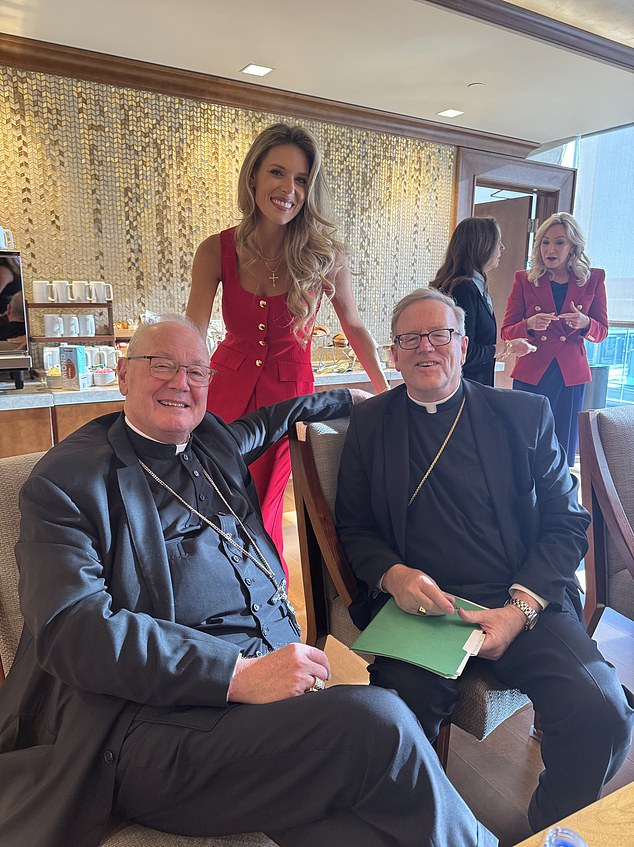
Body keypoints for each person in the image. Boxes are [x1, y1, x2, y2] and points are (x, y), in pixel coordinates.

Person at [0, 314, 496, 847]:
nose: (181, 383)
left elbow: (277, 418)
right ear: (123, 374)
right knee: (381, 720)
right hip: (148, 722)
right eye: (161, 365)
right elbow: (71, 628)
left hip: (267, 701)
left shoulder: (212, 440)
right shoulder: (67, 481)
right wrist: (235, 674)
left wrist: (354, 400)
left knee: (362, 820)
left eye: (196, 371)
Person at [336, 287, 633, 834]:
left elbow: (568, 522)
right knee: (394, 725)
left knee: (603, 713)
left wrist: (520, 609)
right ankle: (422, 830)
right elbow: (354, 527)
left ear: (464, 345)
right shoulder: (372, 423)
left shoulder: (523, 414)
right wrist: (393, 575)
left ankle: (544, 831)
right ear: (394, 353)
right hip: (423, 611)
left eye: (439, 334)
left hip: (520, 597)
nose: (426, 347)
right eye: (410, 338)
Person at [187, 123, 388, 574]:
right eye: (277, 172)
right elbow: (193, 332)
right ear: (253, 175)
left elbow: (354, 325)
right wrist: (180, 385)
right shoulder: (215, 250)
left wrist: (386, 392)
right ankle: (212, 590)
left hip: (289, 400)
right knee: (212, 496)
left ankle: (266, 592)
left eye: (301, 180)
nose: (288, 189)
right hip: (222, 393)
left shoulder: (325, 256)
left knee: (264, 505)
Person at [501, 212, 608, 465]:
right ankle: (524, 490)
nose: (550, 249)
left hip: (570, 375)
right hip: (533, 372)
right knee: (527, 444)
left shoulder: (593, 279)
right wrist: (528, 325)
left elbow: (602, 331)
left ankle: (560, 490)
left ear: (573, 246)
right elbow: (507, 331)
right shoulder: (525, 279)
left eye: (559, 242)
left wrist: (585, 323)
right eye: (545, 242)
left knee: (562, 445)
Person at [430, 216, 533, 385]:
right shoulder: (464, 289)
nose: (502, 247)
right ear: (482, 246)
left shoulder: (472, 286)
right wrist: (506, 347)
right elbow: (465, 351)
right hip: (464, 387)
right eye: (497, 242)